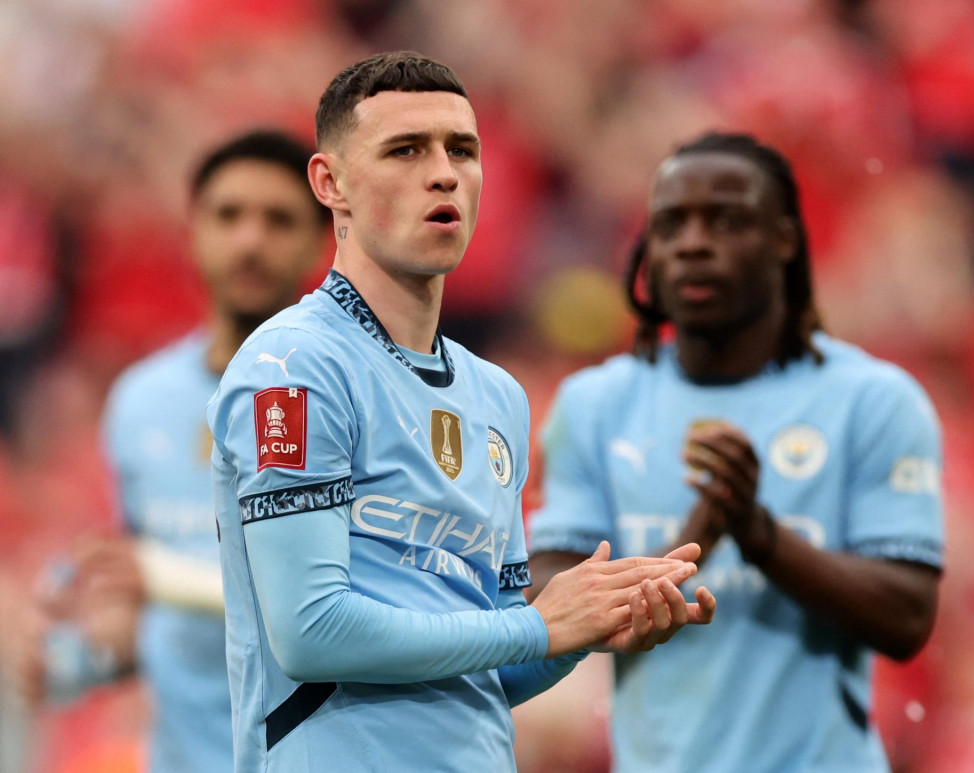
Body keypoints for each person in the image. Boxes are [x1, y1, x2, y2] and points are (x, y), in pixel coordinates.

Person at [206, 51, 716, 773]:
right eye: (406, 149)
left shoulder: (497, 397)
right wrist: (541, 626)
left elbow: (488, 670)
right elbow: (310, 630)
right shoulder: (293, 366)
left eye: (462, 150)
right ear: (331, 183)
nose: (444, 172)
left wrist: (589, 629)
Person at [527, 131, 944, 772]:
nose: (694, 242)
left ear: (784, 240)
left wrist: (759, 534)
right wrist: (702, 535)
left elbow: (907, 618)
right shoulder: (594, 404)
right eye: (671, 224)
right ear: (648, 250)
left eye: (726, 220)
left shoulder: (873, 400)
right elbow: (545, 591)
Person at [17, 129, 330, 772]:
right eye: (228, 215)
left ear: (319, 242)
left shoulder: (344, 396)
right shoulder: (141, 400)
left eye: (277, 220)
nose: (250, 239)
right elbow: (137, 603)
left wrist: (161, 577)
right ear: (191, 232)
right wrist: (74, 659)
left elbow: (343, 600)